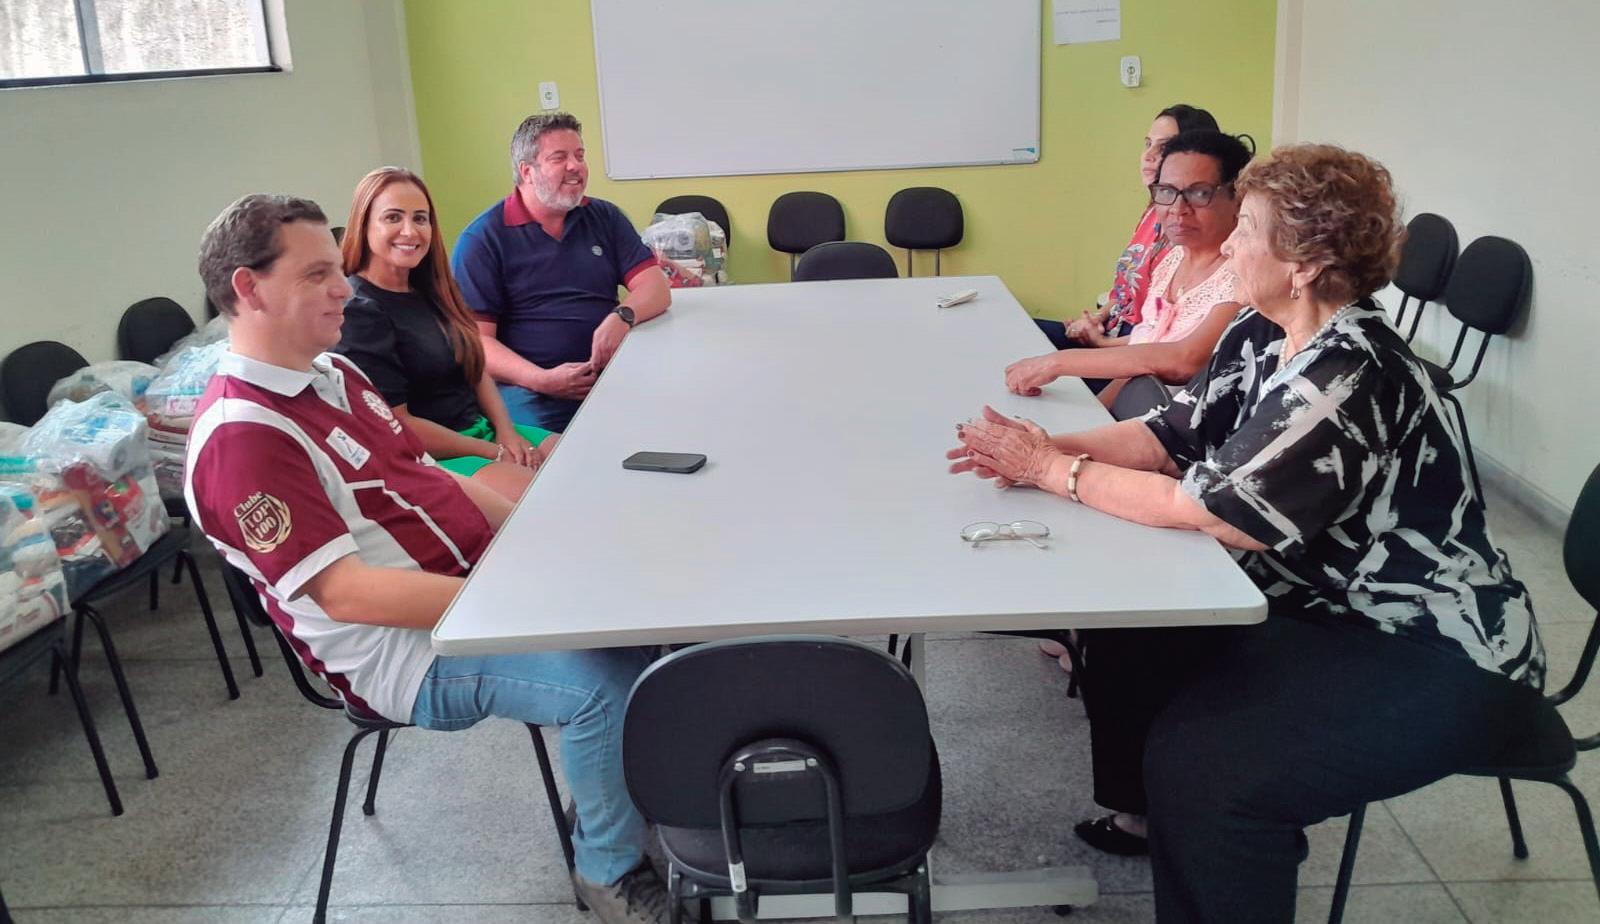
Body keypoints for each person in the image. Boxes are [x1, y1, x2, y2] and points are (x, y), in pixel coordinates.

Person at [950, 145, 1547, 923]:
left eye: (1248, 230)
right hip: (1319, 606)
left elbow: (1214, 511)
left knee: (1211, 776)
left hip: (1430, 648)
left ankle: (1200, 821)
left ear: (1304, 265)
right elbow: (1167, 437)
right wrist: (1040, 447)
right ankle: (1153, 818)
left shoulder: (1351, 375)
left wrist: (1052, 471)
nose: (1228, 243)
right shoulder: (1262, 334)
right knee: (1133, 634)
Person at [186, 194, 673, 924]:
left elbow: (430, 477)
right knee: (600, 688)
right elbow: (346, 594)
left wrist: (539, 539)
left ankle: (607, 789)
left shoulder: (334, 373)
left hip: (470, 588)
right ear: (248, 289)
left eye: (336, 269)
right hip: (404, 652)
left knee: (641, 621)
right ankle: (607, 871)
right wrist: (518, 598)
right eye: (317, 274)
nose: (344, 288)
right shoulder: (244, 437)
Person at [335, 166, 555, 502]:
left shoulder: (433, 288)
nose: (409, 231)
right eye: (393, 217)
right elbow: (398, 424)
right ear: (364, 225)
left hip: (481, 431)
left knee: (583, 462)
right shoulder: (360, 311)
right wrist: (493, 452)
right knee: (547, 498)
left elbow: (475, 368)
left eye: (420, 219)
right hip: (431, 455)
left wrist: (506, 432)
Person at [452, 112, 671, 433]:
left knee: (670, 423)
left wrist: (622, 316)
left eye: (580, 156)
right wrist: (542, 380)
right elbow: (476, 343)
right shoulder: (482, 239)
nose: (575, 166)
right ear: (527, 171)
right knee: (558, 456)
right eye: (559, 158)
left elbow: (656, 287)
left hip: (611, 375)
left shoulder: (604, 217)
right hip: (529, 390)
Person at [1005, 130, 1251, 409]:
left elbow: (1185, 360)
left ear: (1238, 198)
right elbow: (1139, 359)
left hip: (1180, 431)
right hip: (1135, 422)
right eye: (1166, 191)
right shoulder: (1172, 261)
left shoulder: (1244, 276)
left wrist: (1058, 362)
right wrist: (1095, 416)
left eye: (1199, 193)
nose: (1178, 209)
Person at [1033, 104, 1219, 357]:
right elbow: (1125, 290)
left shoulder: (1190, 232)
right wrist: (1096, 319)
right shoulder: (1154, 211)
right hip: (1113, 331)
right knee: (1020, 329)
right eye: (1147, 144)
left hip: (1133, 351)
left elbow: (1166, 334)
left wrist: (1101, 344)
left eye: (1163, 147)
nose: (1148, 155)